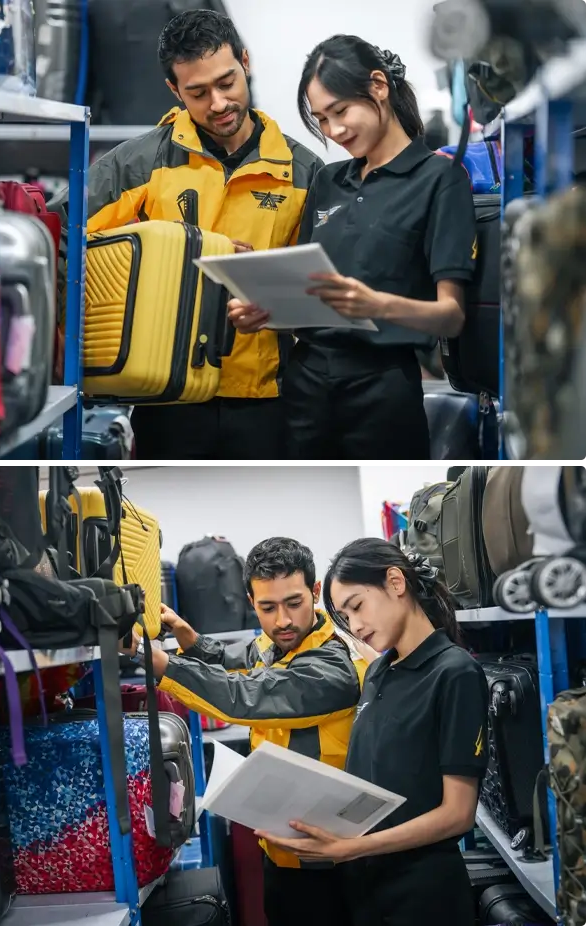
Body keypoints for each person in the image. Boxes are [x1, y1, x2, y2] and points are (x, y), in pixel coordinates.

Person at [49, 10, 323, 464]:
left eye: (227, 83)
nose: (218, 103)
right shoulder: (138, 164)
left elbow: (326, 290)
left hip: (267, 403)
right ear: (174, 90)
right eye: (197, 92)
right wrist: (67, 335)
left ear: (245, 63)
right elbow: (56, 230)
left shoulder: (304, 171)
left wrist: (278, 305)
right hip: (166, 400)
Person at [228, 36, 478, 463]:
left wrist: (377, 305)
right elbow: (311, 293)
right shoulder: (328, 180)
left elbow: (451, 317)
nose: (334, 131)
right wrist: (265, 310)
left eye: (340, 111)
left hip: (383, 389)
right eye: (322, 120)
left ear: (378, 86)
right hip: (304, 387)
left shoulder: (440, 178)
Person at [122, 537, 365, 926]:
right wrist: (191, 639)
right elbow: (236, 659)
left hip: (330, 863)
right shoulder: (275, 643)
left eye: (294, 603)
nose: (282, 620)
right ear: (251, 602)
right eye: (268, 607)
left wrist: (155, 660)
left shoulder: (331, 669)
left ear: (315, 592)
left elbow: (245, 695)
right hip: (281, 852)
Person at [255, 538, 489, 926]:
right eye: (345, 616)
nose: (356, 626)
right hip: (365, 890)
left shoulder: (455, 673)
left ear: (396, 582)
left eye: (357, 606)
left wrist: (352, 847)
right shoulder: (380, 671)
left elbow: (458, 814)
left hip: (422, 897)